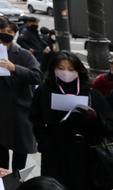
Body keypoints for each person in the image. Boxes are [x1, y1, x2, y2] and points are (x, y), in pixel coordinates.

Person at [29, 51, 113, 190]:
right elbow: (35, 119)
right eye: (60, 68)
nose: (66, 72)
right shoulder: (44, 91)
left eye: (71, 69)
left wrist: (96, 118)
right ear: (53, 69)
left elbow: (109, 126)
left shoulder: (92, 94)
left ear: (78, 70)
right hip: (55, 152)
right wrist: (45, 142)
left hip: (87, 154)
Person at [0, 19, 43, 173]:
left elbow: (38, 76)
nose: (5, 34)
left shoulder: (23, 54)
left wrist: (14, 68)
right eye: (2, 31)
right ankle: (3, 175)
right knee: (1, 144)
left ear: (15, 34)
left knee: (21, 147)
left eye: (9, 32)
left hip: (20, 107)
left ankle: (17, 178)